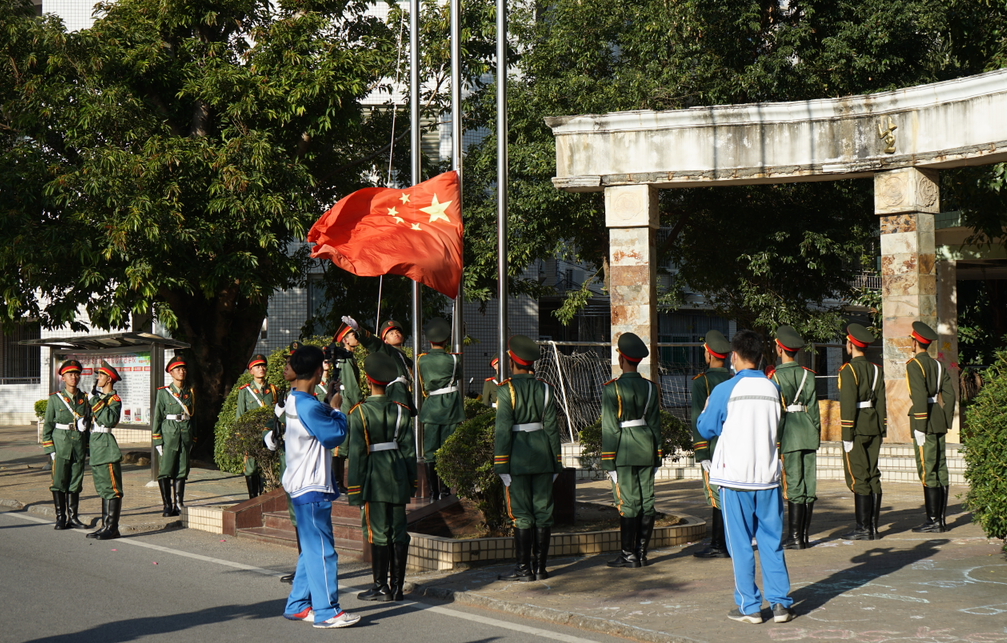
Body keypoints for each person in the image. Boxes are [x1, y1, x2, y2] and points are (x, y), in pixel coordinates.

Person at [698, 329, 794, 625]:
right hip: (767, 478)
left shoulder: (725, 390)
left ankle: (750, 607)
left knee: (740, 544)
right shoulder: (773, 389)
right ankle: (781, 604)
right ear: (760, 356)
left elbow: (705, 428)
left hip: (735, 479)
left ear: (735, 356)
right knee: (771, 542)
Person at [274, 345, 359, 629]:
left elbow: (315, 414)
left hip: (303, 486)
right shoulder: (309, 405)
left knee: (311, 549)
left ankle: (298, 605)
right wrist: (336, 409)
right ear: (317, 371)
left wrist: (326, 399)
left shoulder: (296, 399)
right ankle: (326, 611)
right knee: (323, 551)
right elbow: (334, 435)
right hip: (310, 486)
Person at [346, 352, 417, 602]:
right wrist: (412, 481)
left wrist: (354, 489)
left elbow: (357, 454)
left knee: (378, 531)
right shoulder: (402, 411)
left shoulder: (360, 412)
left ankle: (380, 587)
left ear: (367, 379)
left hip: (374, 476)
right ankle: (397, 587)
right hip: (397, 472)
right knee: (399, 530)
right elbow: (409, 450)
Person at [493, 335, 562, 582]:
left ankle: (524, 570)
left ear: (511, 360)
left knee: (522, 514)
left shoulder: (506, 389)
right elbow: (553, 428)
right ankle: (541, 568)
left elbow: (502, 429)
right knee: (543, 512)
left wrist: (501, 464)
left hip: (517, 460)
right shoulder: (546, 388)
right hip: (543, 455)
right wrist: (557, 461)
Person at [601, 332, 662, 568]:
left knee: (627, 502)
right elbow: (655, 424)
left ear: (621, 360)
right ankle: (642, 553)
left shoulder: (612, 389)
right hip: (646, 446)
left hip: (624, 449)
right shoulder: (650, 387)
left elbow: (610, 429)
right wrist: (657, 457)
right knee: (647, 501)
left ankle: (628, 556)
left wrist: (608, 462)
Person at [771, 326, 821, 550]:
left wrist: (775, 440)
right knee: (808, 485)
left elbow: (776, 413)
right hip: (808, 432)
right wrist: (815, 432)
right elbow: (814, 409)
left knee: (793, 485)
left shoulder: (775, 376)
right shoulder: (808, 374)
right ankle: (804, 536)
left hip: (789, 434)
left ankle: (794, 537)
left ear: (780, 348)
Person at [838, 323, 887, 540]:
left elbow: (847, 404)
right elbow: (881, 402)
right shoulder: (877, 370)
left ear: (850, 345)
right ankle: (873, 528)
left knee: (859, 477)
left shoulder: (849, 370)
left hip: (856, 427)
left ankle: (863, 529)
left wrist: (846, 434)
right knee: (873, 474)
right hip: (874, 426)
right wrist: (881, 427)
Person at [906, 321, 956, 533]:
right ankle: (941, 520)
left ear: (915, 342)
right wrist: (945, 420)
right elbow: (950, 395)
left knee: (927, 470)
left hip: (924, 423)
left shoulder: (914, 365)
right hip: (937, 420)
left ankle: (933, 521)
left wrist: (919, 426)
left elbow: (918, 398)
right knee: (940, 468)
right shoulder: (938, 365)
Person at [690, 330, 733, 558]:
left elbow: (698, 417)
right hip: (734, 444)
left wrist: (701, 452)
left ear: (708, 354)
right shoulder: (735, 379)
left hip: (713, 445)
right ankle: (727, 541)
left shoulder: (702, 382)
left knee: (715, 495)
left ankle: (718, 544)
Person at [417, 317, 465, 500]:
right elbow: (458, 375)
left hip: (431, 408)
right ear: (446, 340)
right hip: (450, 408)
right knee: (446, 449)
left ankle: (432, 492)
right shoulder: (453, 360)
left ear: (429, 340)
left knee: (430, 451)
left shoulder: (422, 360)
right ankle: (445, 490)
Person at [42, 359, 92, 530]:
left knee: (75, 482)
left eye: (76, 374)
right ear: (63, 377)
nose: (74, 377)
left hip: (78, 444)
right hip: (60, 445)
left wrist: (87, 448)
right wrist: (50, 450)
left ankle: (73, 517)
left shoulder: (84, 398)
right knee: (59, 481)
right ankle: (60, 517)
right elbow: (48, 426)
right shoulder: (55, 399)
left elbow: (87, 427)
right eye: (70, 374)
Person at [341, 316, 415, 414]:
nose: (396, 334)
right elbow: (375, 343)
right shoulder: (388, 350)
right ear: (386, 340)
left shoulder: (405, 358)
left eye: (398, 332)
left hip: (405, 395)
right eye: (391, 333)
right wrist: (358, 330)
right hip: (395, 394)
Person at [152, 355, 195, 517]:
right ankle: (167, 505)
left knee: (182, 469)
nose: (181, 372)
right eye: (177, 369)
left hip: (185, 433)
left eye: (183, 369)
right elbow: (157, 416)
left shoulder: (190, 392)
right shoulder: (164, 393)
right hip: (169, 433)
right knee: (166, 469)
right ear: (170, 373)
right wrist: (157, 438)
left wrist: (194, 437)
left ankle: (179, 503)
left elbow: (193, 416)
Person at [87, 361, 125, 540]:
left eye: (100, 376)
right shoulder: (101, 399)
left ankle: (112, 527)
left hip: (106, 447)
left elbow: (109, 419)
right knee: (103, 489)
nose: (97, 379)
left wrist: (94, 400)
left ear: (108, 378)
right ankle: (105, 526)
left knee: (112, 489)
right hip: (96, 445)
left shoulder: (114, 400)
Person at [236, 354, 277, 500]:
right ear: (251, 371)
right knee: (251, 467)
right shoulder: (245, 391)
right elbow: (240, 415)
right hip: (251, 434)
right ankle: (252, 498)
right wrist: (241, 437)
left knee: (265, 465)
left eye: (263, 366)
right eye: (257, 366)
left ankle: (263, 497)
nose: (261, 369)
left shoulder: (272, 390)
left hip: (268, 433)